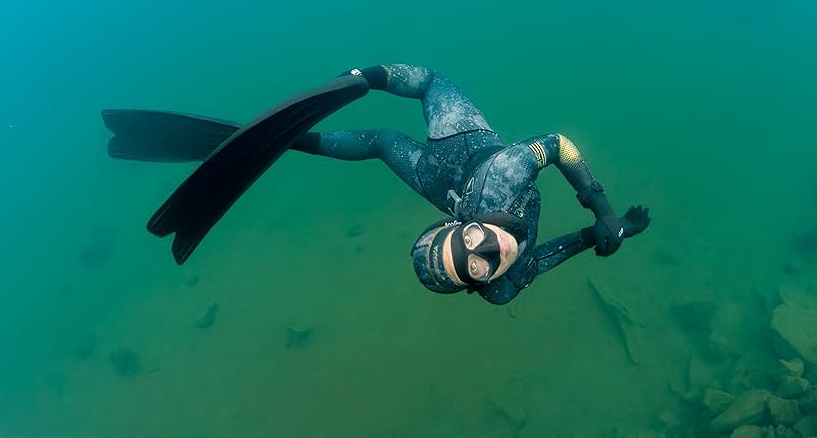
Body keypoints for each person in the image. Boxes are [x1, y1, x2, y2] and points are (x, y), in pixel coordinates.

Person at [102, 64, 650, 305]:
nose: (488, 248)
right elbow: (552, 254)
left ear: (457, 225)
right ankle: (299, 139)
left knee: (405, 114)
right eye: (477, 265)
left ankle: (338, 103)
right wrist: (611, 231)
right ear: (475, 285)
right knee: (385, 141)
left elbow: (557, 144)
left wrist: (596, 204)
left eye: (468, 243)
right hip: (455, 184)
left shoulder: (502, 177)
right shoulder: (503, 287)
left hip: (463, 145)